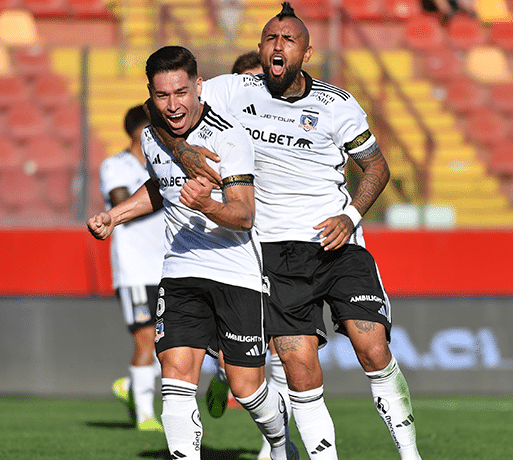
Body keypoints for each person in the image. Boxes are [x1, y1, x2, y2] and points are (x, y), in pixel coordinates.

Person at [145, 4, 422, 459]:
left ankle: (410, 454)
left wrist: (351, 215)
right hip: (274, 254)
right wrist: (183, 150)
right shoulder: (233, 90)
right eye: (270, 38)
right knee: (297, 366)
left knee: (372, 346)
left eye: (288, 39)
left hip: (338, 245)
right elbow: (160, 103)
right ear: (260, 48)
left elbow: (376, 166)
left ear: (306, 51)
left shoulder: (337, 104)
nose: (278, 45)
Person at [87, 45, 297, 460]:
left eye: (181, 92)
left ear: (198, 86)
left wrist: (208, 205)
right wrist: (116, 216)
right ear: (151, 93)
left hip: (235, 273)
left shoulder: (227, 137)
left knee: (246, 387)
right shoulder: (151, 137)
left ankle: (279, 442)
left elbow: (243, 214)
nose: (173, 104)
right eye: (162, 95)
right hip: (180, 269)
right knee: (176, 376)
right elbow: (160, 187)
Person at [203, 48, 300, 460]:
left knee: (279, 344)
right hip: (229, 245)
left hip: (274, 242)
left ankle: (273, 446)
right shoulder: (217, 132)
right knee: (235, 352)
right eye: (246, 81)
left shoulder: (283, 126)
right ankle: (223, 371)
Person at [100, 104, 164, 432]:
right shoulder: (115, 165)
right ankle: (145, 415)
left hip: (171, 264)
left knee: (172, 343)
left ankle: (129, 385)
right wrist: (168, 192)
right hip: (136, 268)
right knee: (146, 340)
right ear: (140, 131)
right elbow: (123, 200)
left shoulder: (167, 162)